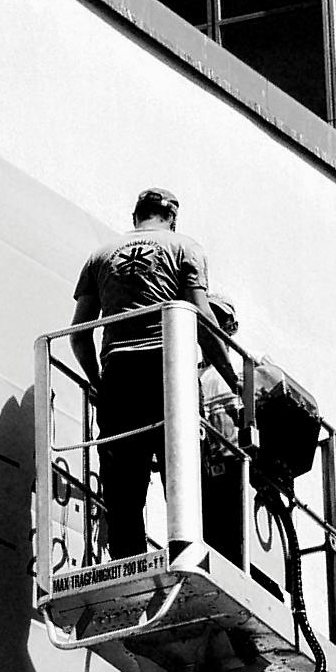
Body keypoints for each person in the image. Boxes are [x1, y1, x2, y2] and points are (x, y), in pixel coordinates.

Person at [68, 189, 228, 561]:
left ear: (135, 215)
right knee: (183, 477)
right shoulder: (183, 247)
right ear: (171, 215)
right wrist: (233, 378)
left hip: (119, 376)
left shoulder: (100, 256)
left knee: (123, 491)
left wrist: (97, 381)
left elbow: (78, 334)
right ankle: (187, 558)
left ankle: (128, 564)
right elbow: (202, 318)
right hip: (167, 372)